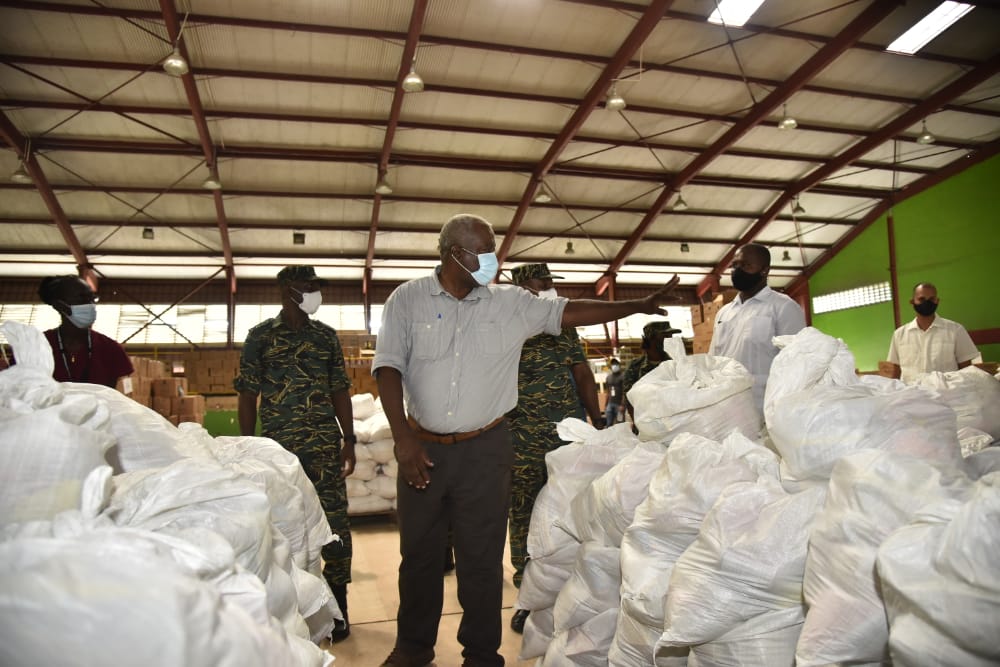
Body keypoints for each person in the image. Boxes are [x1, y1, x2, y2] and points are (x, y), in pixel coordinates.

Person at [372, 213, 680, 667]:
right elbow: (387, 368)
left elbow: (569, 311)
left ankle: (481, 655)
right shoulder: (407, 300)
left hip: (485, 448)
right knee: (419, 555)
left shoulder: (510, 303)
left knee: (481, 558)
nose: (492, 260)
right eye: (483, 251)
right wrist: (403, 439)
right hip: (422, 449)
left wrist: (636, 305)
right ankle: (413, 649)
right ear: (454, 253)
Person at [233, 265, 357, 642]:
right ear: (288, 290)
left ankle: (339, 603)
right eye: (309, 285)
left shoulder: (326, 337)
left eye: (318, 286)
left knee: (335, 527)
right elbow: (247, 394)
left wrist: (349, 439)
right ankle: (293, 606)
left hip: (323, 449)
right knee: (284, 529)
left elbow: (339, 389)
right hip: (279, 453)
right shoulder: (260, 337)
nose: (316, 292)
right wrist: (248, 447)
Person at [505, 262, 604, 634]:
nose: (549, 286)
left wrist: (597, 418)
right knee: (524, 513)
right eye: (542, 281)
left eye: (551, 281)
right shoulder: (504, 323)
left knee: (571, 511)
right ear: (522, 287)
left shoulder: (564, 324)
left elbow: (581, 373)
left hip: (566, 435)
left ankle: (571, 588)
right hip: (520, 438)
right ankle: (527, 597)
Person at [708, 243, 806, 410]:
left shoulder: (783, 307)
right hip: (725, 406)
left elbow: (797, 363)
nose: (738, 270)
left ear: (764, 270)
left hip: (764, 406)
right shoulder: (724, 313)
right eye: (735, 265)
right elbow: (713, 359)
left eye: (746, 265)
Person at [39, 275, 133, 388]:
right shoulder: (38, 347)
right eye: (82, 298)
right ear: (59, 306)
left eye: (92, 298)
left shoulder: (111, 349)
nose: (90, 304)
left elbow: (126, 392)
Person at [887, 282, 979, 383]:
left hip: (946, 391)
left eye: (931, 299)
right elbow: (895, 371)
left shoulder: (956, 330)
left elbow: (966, 370)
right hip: (910, 391)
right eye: (921, 299)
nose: (927, 302)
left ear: (937, 301)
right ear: (912, 302)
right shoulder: (899, 335)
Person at [622, 321, 681, 422]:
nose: (670, 339)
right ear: (651, 338)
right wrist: (638, 424)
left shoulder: (675, 364)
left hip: (673, 423)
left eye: (670, 336)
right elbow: (629, 399)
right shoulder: (635, 367)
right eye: (665, 336)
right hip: (645, 423)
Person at [603, 358, 625, 425]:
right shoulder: (608, 377)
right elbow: (608, 391)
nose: (614, 365)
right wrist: (605, 405)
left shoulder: (623, 377)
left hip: (619, 404)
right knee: (609, 424)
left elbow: (624, 392)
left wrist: (622, 405)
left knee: (620, 424)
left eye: (616, 364)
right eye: (613, 364)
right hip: (610, 404)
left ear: (619, 365)